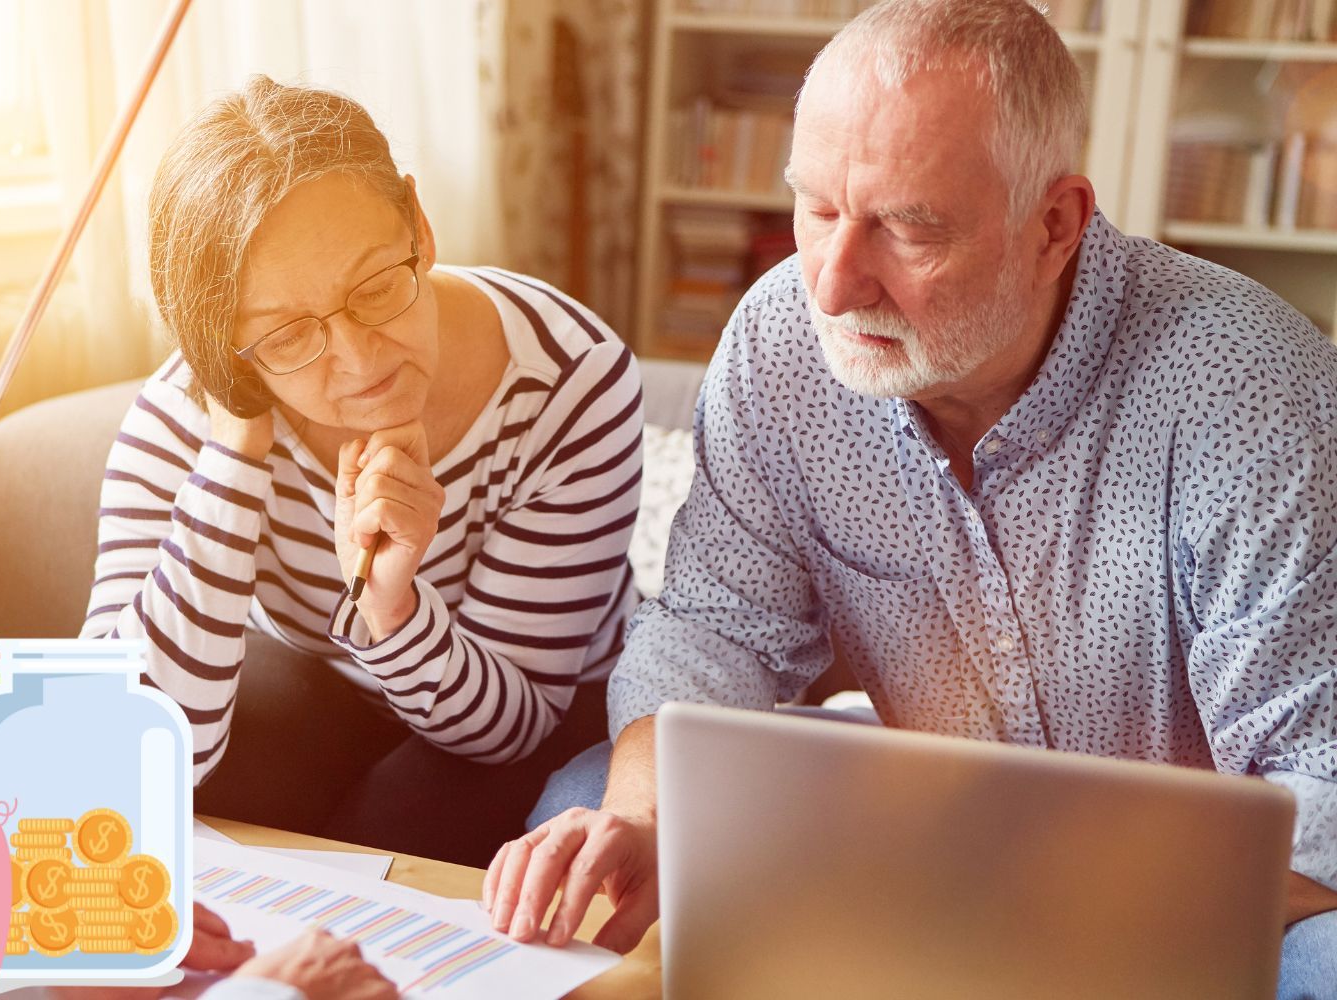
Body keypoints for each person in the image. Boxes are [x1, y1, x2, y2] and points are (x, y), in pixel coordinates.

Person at [483, 1, 1337, 996]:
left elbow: (1317, 785)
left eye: (906, 227)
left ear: (1053, 223)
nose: (835, 286)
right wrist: (640, 821)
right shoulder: (781, 345)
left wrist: (1019, 907)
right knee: (583, 810)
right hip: (922, 821)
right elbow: (715, 634)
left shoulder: (1251, 391)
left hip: (1186, 887)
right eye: (817, 208)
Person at [82, 76, 643, 869]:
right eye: (285, 336)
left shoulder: (569, 381)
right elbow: (129, 747)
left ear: (418, 221)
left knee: (405, 825)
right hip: (334, 689)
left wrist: (394, 605)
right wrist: (236, 450)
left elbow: (511, 725)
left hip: (539, 709)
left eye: (377, 287)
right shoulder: (187, 411)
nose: (360, 358)